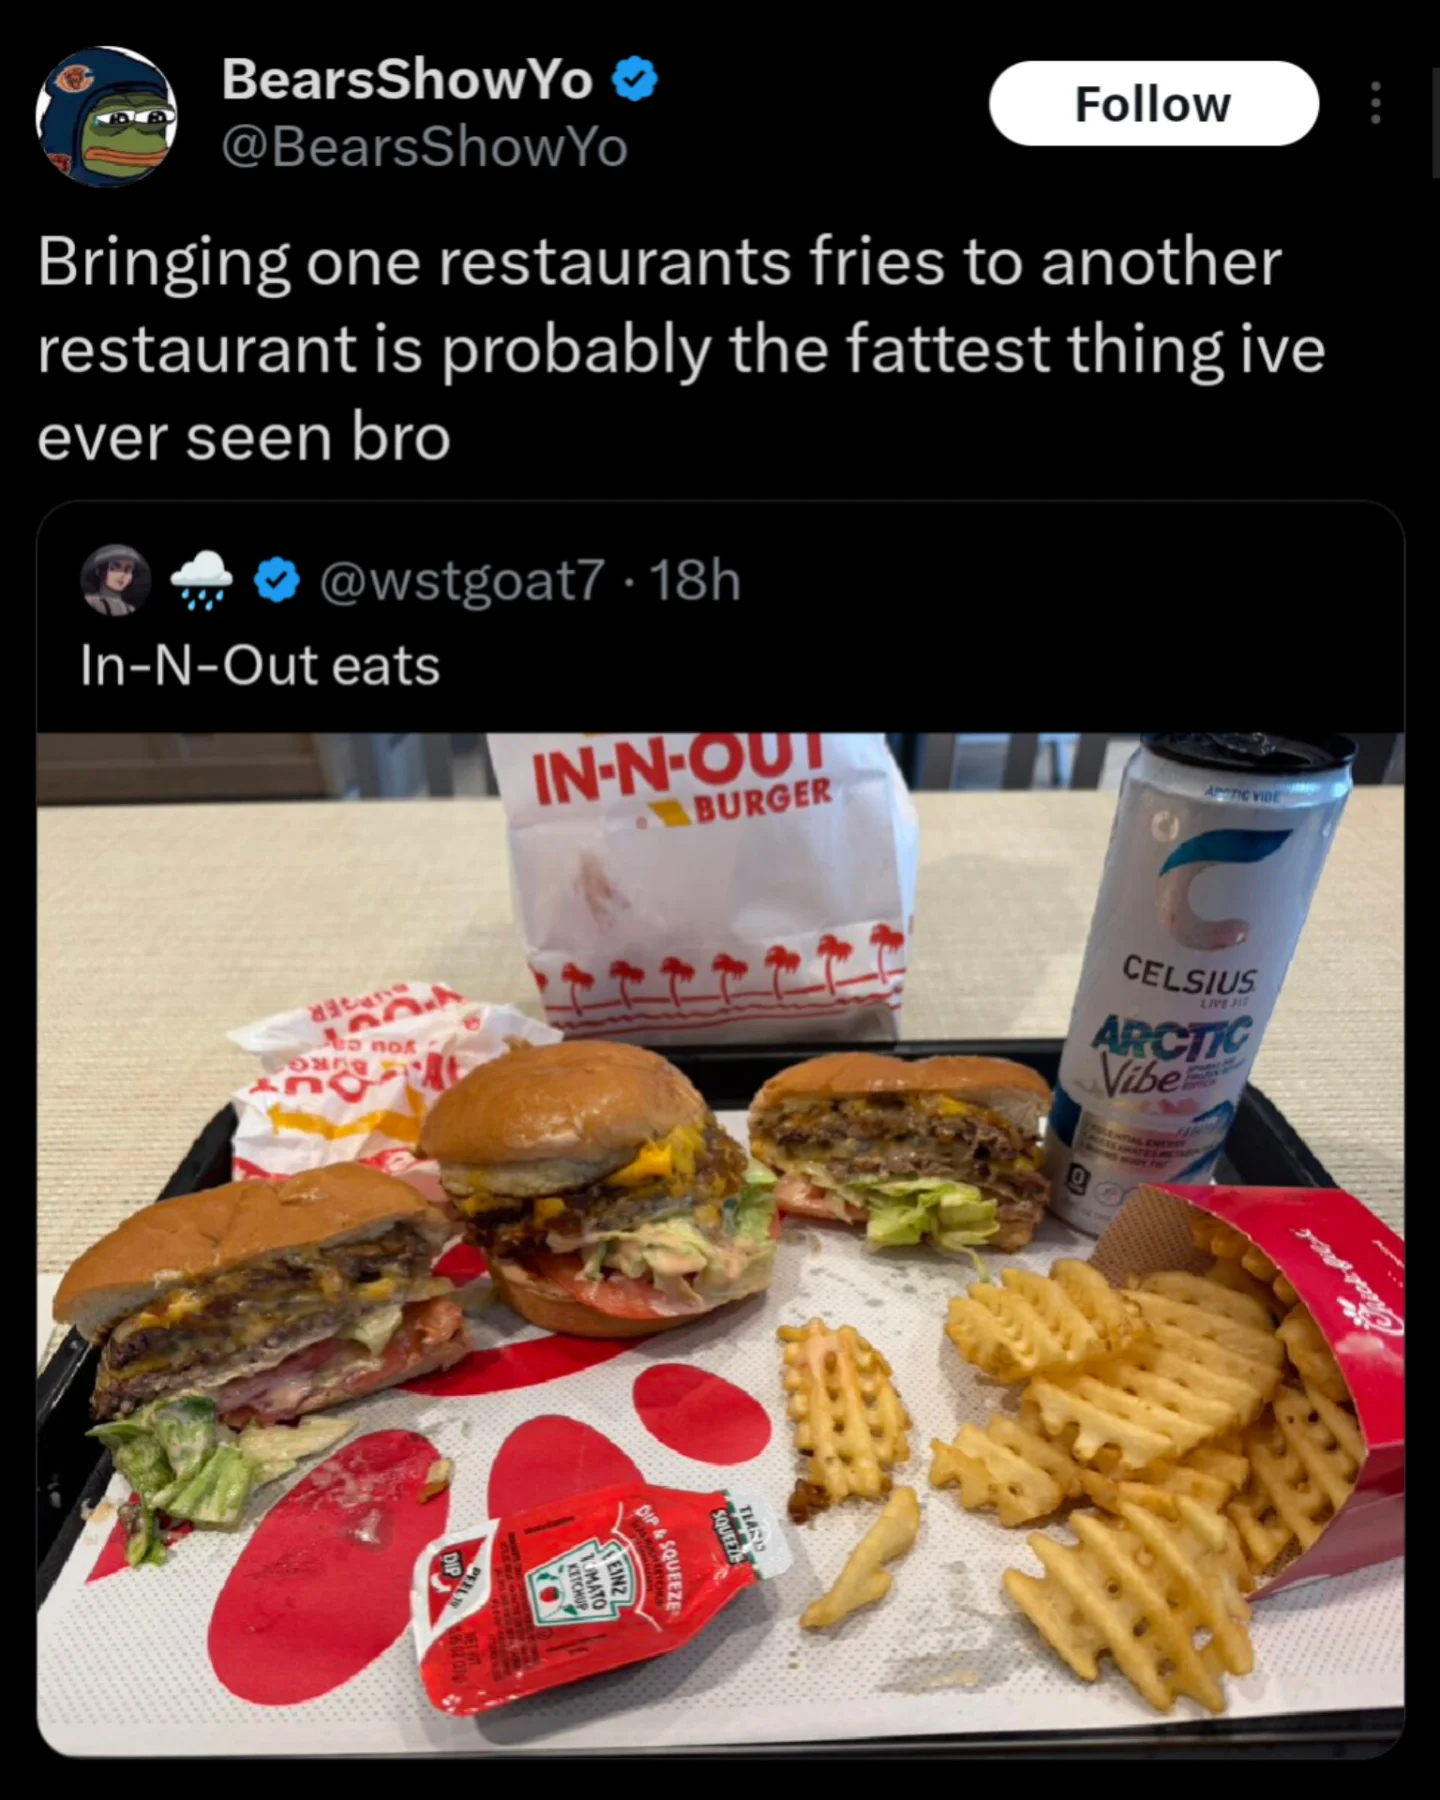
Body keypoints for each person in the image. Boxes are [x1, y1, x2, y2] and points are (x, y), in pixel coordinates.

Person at [81, 546, 149, 617]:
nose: (123, 574)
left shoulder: (130, 609)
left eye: (128, 569)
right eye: (115, 567)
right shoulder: (91, 601)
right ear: (99, 571)